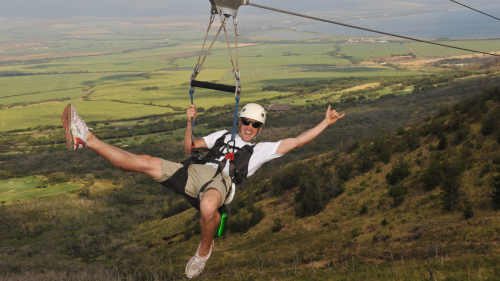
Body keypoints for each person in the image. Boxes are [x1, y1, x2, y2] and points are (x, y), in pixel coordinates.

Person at [62, 102, 344, 278]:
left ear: (260, 129)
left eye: (255, 124)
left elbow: (297, 142)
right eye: (246, 121)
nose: (249, 127)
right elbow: (188, 148)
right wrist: (189, 122)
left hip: (223, 183)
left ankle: (204, 251)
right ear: (240, 121)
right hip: (195, 171)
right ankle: (86, 138)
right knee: (142, 163)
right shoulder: (222, 135)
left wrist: (325, 123)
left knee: (209, 207)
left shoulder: (261, 150)